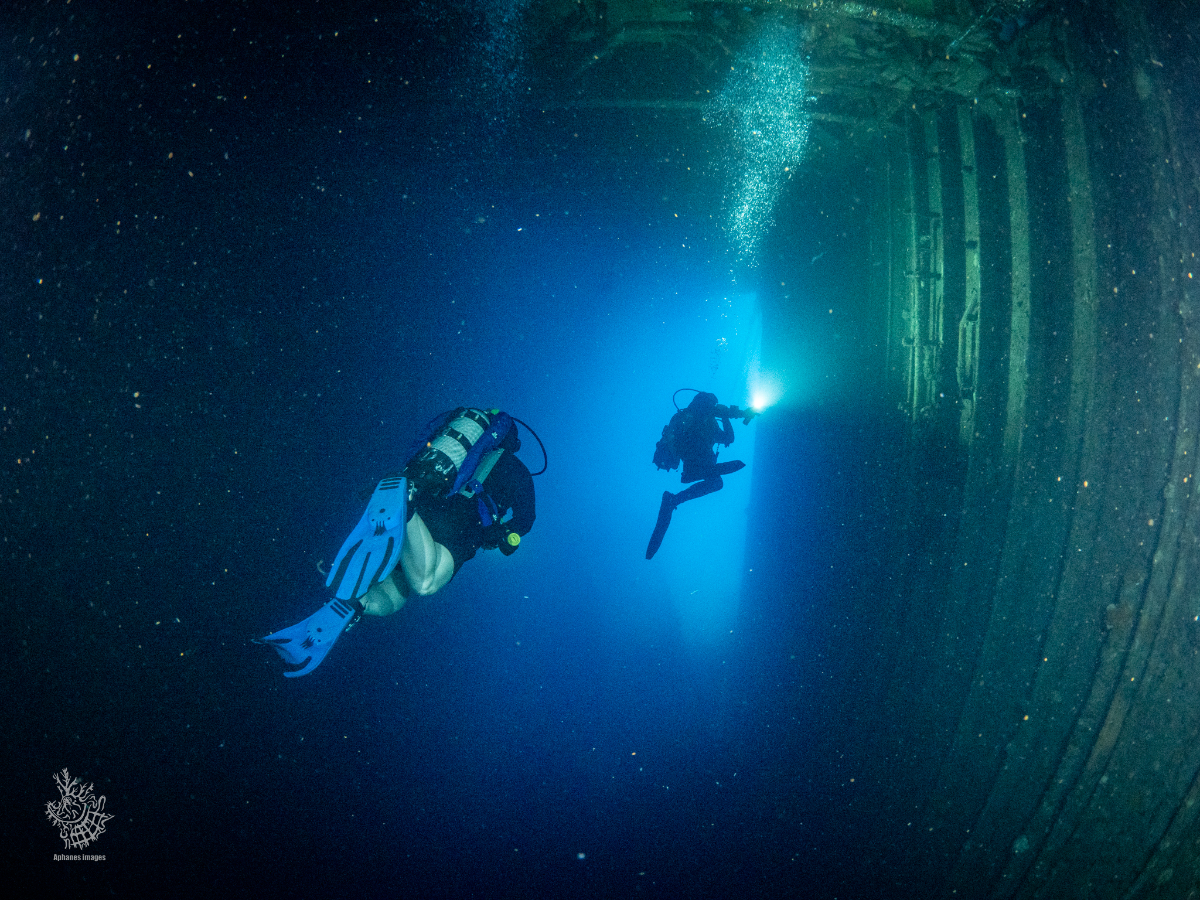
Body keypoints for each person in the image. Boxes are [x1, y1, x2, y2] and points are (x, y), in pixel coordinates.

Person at [259, 408, 538, 676]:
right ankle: (405, 510)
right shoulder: (518, 471)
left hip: (427, 496)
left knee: (398, 592)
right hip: (461, 523)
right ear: (512, 441)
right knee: (424, 582)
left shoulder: (458, 451)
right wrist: (504, 535)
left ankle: (356, 603)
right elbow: (526, 520)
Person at [646, 390, 756, 559]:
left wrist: (726, 416)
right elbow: (728, 437)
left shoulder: (701, 420)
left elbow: (728, 438)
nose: (712, 408)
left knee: (717, 483)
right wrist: (726, 415)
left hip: (695, 466)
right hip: (695, 465)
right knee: (717, 482)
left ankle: (673, 500)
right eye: (711, 405)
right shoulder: (693, 418)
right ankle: (674, 499)